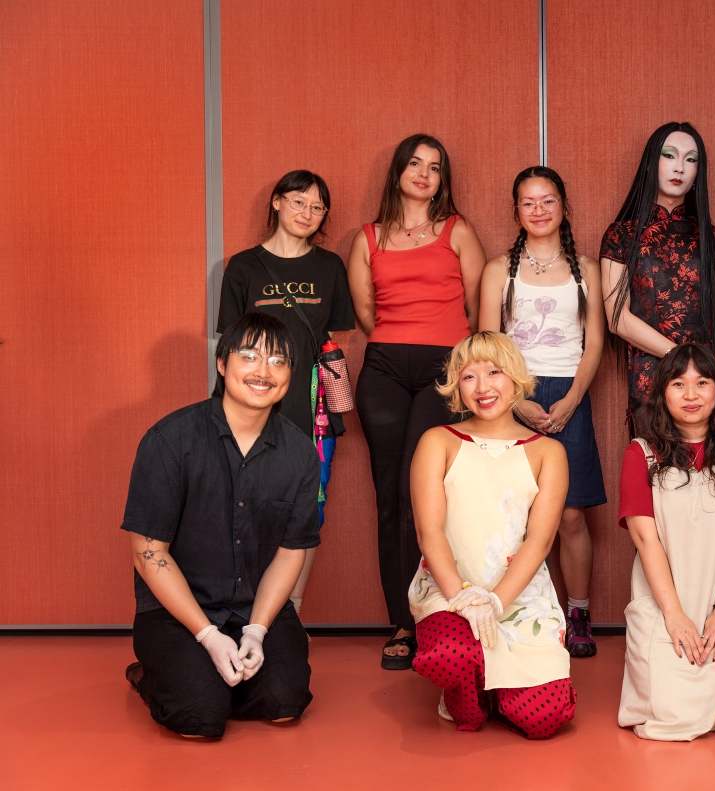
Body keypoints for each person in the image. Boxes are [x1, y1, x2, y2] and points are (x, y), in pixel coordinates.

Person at [121, 313, 318, 738]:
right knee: (199, 719)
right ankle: (155, 673)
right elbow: (147, 551)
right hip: (179, 611)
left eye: (278, 361)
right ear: (223, 364)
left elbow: (291, 550)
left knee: (287, 703)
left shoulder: (301, 453)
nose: (263, 371)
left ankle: (219, 676)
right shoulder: (169, 440)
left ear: (290, 375)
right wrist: (208, 636)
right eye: (249, 356)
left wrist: (258, 629)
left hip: (253, 607)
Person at [347, 134, 487, 670]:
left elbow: (478, 307)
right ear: (398, 172)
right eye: (414, 164)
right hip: (383, 369)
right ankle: (401, 624)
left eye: (434, 167)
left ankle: (434, 616)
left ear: (442, 178)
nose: (424, 174)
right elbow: (366, 314)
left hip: (442, 371)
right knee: (388, 497)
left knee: (421, 493)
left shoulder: (458, 231)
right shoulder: (368, 237)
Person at [407, 332, 576, 739]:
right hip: (450, 591)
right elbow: (429, 532)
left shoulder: (547, 451)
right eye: (468, 376)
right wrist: (464, 599)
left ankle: (499, 688)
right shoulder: (438, 441)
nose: (483, 387)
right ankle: (468, 688)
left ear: (515, 377)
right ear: (456, 386)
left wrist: (497, 599)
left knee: (547, 718)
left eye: (494, 372)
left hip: (518, 597)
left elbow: (540, 540)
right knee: (451, 657)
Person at [617, 344, 715, 741]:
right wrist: (673, 615)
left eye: (702, 383)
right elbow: (645, 539)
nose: (691, 395)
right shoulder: (642, 454)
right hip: (666, 602)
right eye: (678, 383)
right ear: (662, 393)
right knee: (670, 714)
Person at [479, 166, 607, 658]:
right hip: (510, 395)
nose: (538, 210)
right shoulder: (498, 270)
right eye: (528, 203)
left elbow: (594, 341)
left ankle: (577, 612)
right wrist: (516, 401)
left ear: (563, 206)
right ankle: (521, 611)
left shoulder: (586, 269)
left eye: (548, 201)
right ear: (516, 211)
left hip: (570, 392)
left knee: (570, 515)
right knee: (517, 516)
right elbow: (486, 347)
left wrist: (573, 398)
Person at [217, 170, 355, 621]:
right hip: (249, 410)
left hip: (311, 410)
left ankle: (289, 614)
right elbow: (228, 345)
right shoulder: (242, 266)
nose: (307, 214)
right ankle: (244, 612)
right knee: (243, 511)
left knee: (307, 516)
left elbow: (334, 336)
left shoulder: (329, 267)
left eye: (318, 208)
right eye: (298, 202)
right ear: (276, 202)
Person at [600, 122, 715, 435]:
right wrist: (682, 363)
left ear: (698, 172)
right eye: (670, 155)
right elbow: (617, 319)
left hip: (712, 380)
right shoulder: (622, 235)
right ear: (651, 163)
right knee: (657, 476)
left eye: (691, 159)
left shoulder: (712, 237)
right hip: (653, 381)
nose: (679, 167)